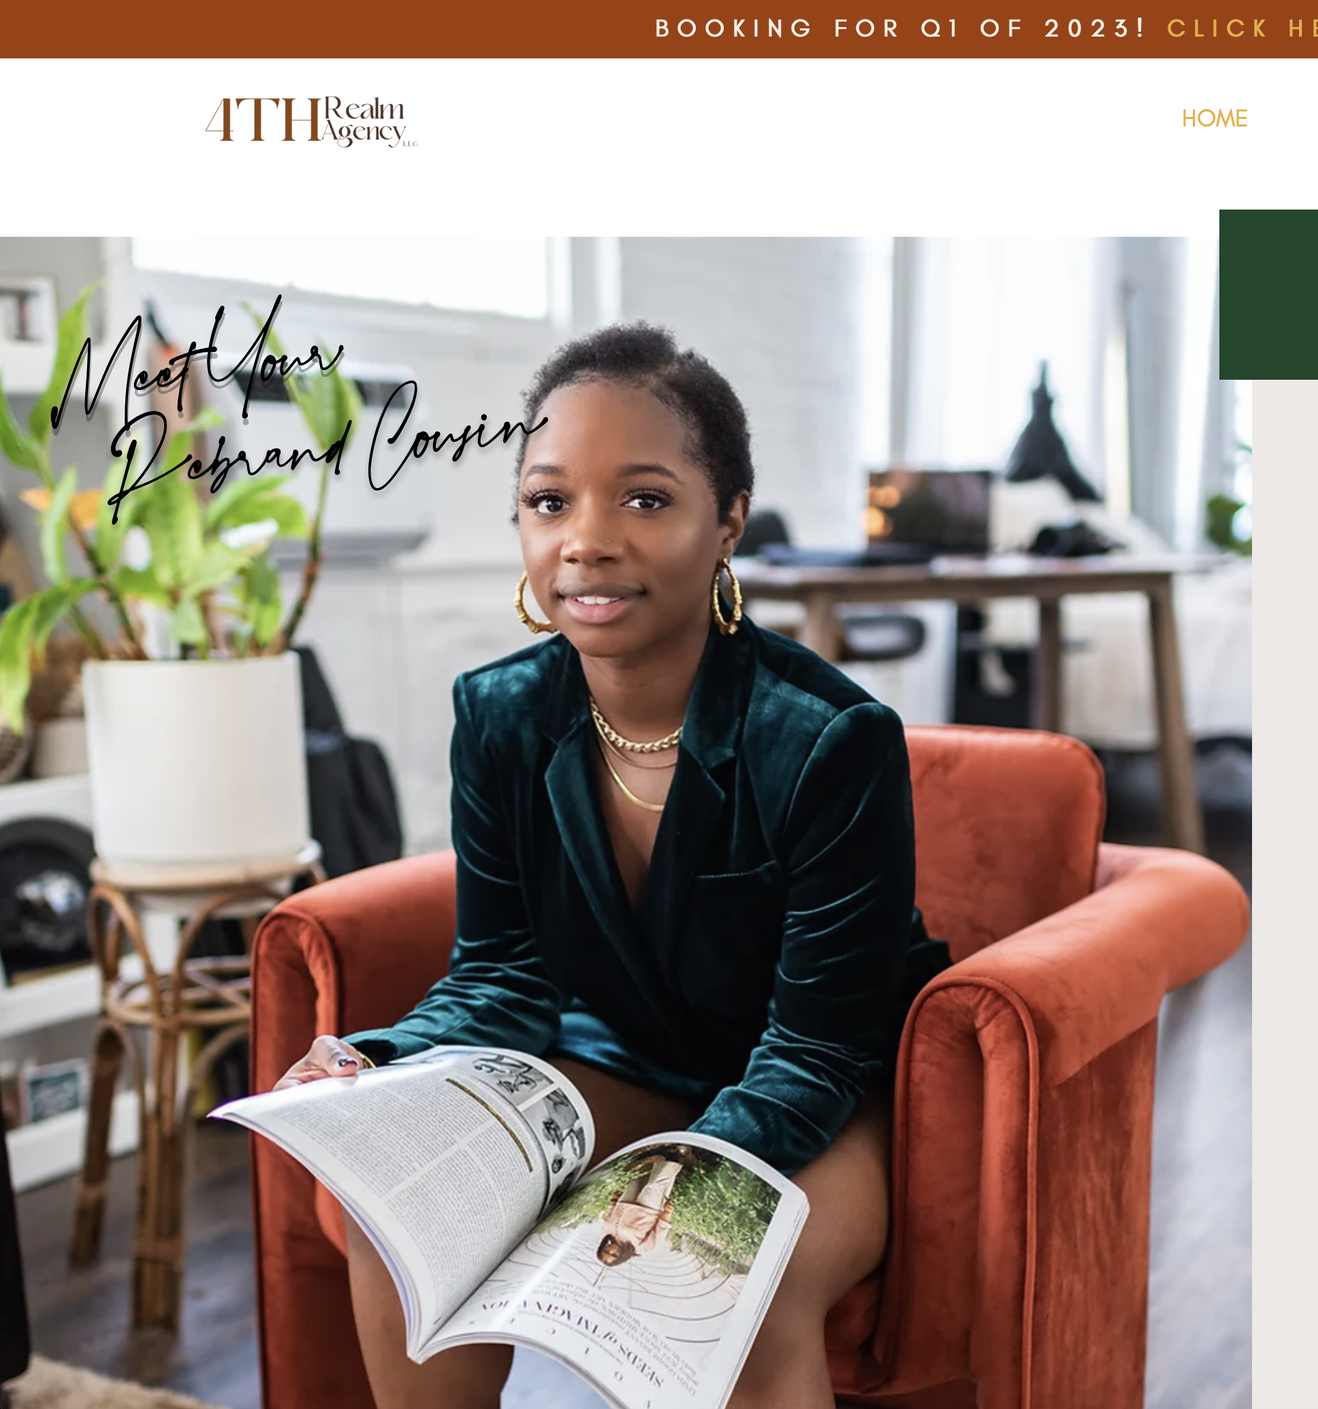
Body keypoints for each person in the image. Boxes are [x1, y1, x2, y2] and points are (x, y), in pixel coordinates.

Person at [276, 323, 950, 1409]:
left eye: (643, 498)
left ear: (726, 520)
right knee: (405, 1206)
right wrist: (379, 1055)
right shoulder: (497, 715)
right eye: (549, 501)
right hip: (632, 1062)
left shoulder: (831, 737)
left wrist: (680, 1168)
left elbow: (820, 1043)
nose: (585, 541)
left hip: (826, 1090)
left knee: (729, 1282)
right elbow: (503, 972)